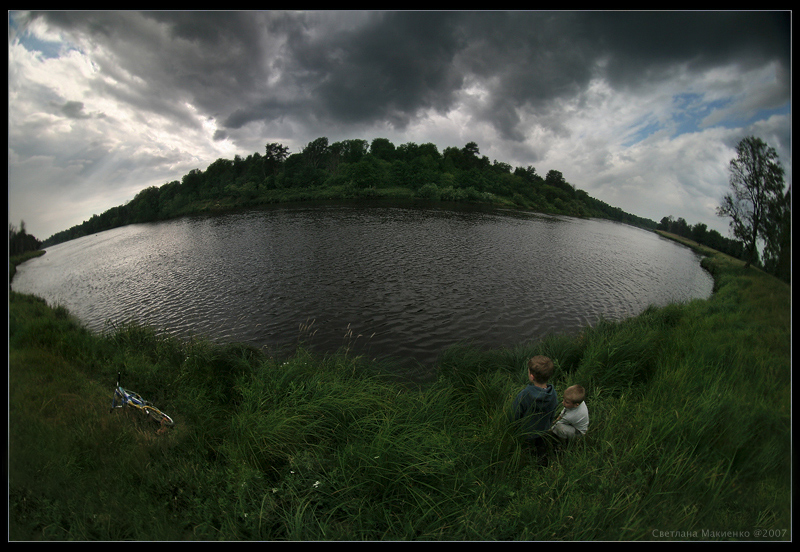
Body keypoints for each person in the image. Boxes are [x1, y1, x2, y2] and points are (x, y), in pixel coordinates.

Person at [511, 356, 559, 465]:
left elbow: (515, 413)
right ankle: (542, 461)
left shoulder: (524, 395)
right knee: (540, 446)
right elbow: (553, 411)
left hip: (526, 431)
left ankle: (526, 460)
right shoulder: (553, 394)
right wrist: (549, 424)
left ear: (532, 376)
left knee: (526, 447)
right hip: (543, 429)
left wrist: (513, 427)